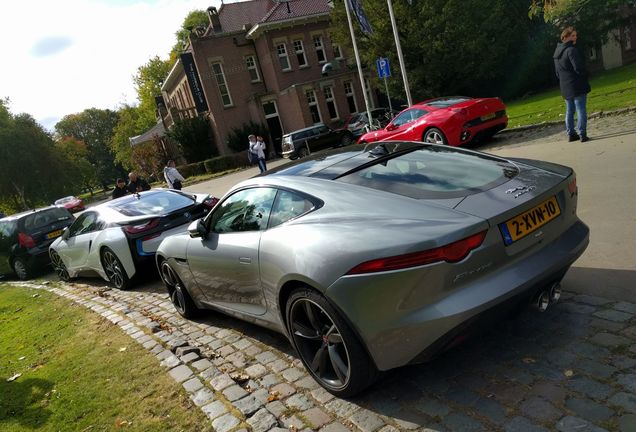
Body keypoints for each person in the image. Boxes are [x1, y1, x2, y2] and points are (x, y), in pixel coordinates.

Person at [553, 26, 591, 143]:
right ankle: (582, 134)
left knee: (569, 110)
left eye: (575, 35)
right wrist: (586, 75)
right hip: (577, 85)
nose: (575, 38)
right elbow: (578, 68)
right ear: (565, 37)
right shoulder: (571, 50)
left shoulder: (556, 54)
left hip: (565, 86)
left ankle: (571, 134)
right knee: (580, 109)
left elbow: (557, 73)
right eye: (573, 35)